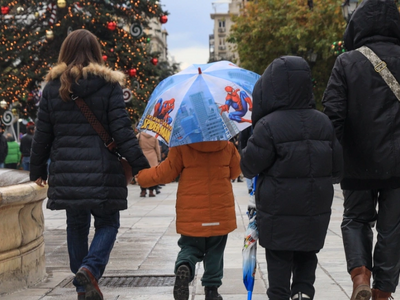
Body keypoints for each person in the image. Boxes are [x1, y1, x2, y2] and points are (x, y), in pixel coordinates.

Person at [29, 29, 149, 300]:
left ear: (65, 52)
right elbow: (122, 131)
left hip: (67, 171)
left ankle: (84, 283)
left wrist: (36, 170)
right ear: (96, 52)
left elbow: (42, 135)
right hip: (103, 171)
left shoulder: (51, 87)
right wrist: (141, 165)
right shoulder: (108, 85)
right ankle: (89, 269)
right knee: (108, 223)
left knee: (76, 224)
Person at [240, 56, 343, 300]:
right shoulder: (323, 123)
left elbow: (248, 166)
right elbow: (338, 169)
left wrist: (246, 139)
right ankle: (303, 293)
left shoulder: (267, 125)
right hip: (313, 212)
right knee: (307, 257)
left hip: (278, 215)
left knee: (278, 266)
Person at [322, 1, 400, 299]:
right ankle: (382, 292)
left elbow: (333, 116)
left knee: (355, 220)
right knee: (393, 228)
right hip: (398, 164)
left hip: (356, 160)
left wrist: (332, 159)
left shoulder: (347, 62)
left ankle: (360, 276)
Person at [137, 140, 241, 300]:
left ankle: (185, 265)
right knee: (216, 250)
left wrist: (143, 177)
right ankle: (211, 290)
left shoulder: (182, 146)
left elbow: (166, 173)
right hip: (220, 210)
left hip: (192, 212)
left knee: (190, 246)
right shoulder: (227, 146)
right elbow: (235, 172)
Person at [136, 131, 161, 197]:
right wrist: (159, 158)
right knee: (152, 175)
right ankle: (151, 191)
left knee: (143, 175)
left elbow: (135, 145)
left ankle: (143, 191)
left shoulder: (140, 135)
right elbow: (157, 148)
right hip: (152, 156)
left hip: (142, 156)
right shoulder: (154, 136)